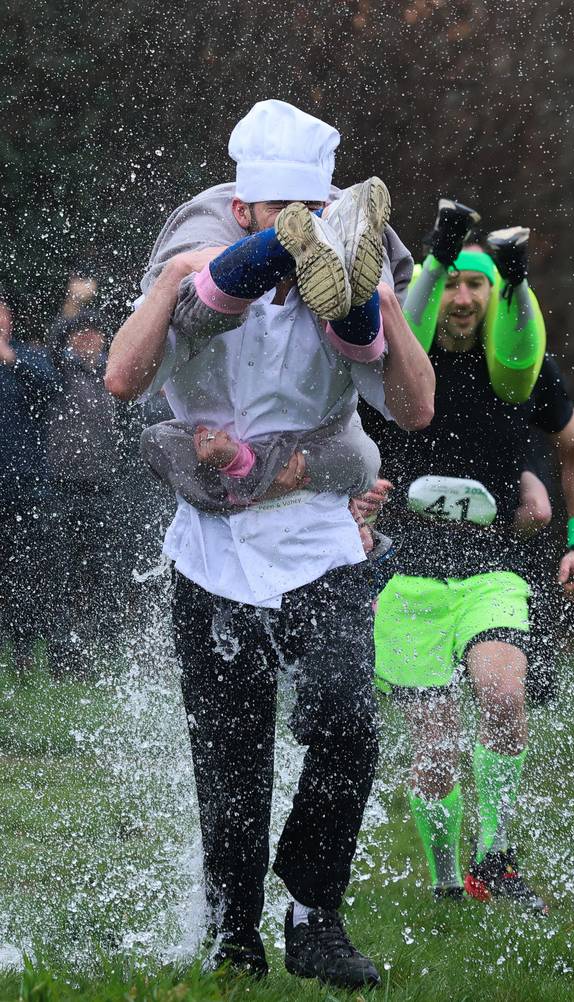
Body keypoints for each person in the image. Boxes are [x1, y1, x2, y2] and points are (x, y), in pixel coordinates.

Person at [105, 100, 434, 988]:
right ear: (244, 209)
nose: (298, 234)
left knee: (347, 724)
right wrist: (173, 284)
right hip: (211, 550)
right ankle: (232, 935)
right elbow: (123, 379)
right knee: (231, 760)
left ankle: (314, 913)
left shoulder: (347, 281)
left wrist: (382, 305)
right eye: (280, 216)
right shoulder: (201, 264)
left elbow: (415, 409)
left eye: (312, 214)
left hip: (322, 539)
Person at [361, 202, 574, 912]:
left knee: (502, 694)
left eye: (478, 285)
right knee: (435, 750)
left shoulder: (523, 365)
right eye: (452, 284)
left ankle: (495, 858)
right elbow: (335, 432)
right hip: (405, 577)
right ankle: (447, 883)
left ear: (497, 295)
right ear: (433, 287)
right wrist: (351, 497)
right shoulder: (386, 361)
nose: (463, 299)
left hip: (492, 572)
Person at [45, 311, 128, 673]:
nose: (87, 340)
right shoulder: (58, 372)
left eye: (93, 334)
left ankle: (105, 650)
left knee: (103, 572)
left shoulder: (113, 374)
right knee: (62, 574)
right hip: (60, 488)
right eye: (79, 334)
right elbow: (49, 346)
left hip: (103, 489)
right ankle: (62, 653)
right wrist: (72, 303)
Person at [404, 201, 546, 403]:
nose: (463, 300)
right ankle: (440, 257)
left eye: (474, 284)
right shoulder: (377, 377)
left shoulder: (535, 362)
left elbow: (571, 423)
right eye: (450, 284)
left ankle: (514, 279)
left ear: (491, 287)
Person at [0, 292, 61, 669]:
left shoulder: (29, 356)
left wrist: (11, 359)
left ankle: (22, 648)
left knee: (23, 570)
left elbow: (53, 388)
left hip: (24, 484)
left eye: (2, 315)